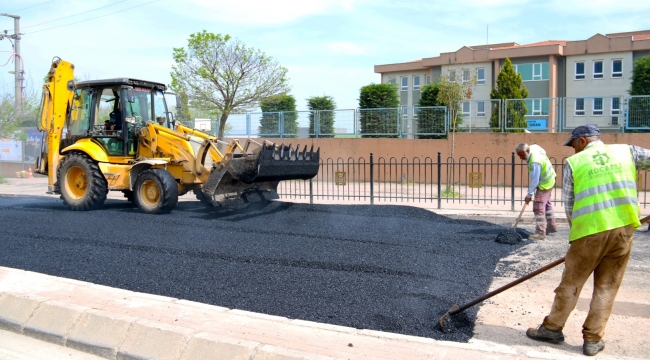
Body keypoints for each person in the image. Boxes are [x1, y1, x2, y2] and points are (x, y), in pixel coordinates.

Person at [526, 125, 650, 356]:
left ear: (582, 141)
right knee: (607, 286)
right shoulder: (627, 151)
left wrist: (578, 235)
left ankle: (552, 328)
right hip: (623, 230)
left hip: (589, 232)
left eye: (573, 145)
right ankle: (593, 339)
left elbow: (570, 204)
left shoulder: (576, 163)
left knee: (571, 282)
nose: (573, 150)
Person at [515, 143, 557, 240]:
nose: (520, 158)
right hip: (551, 177)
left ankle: (540, 232)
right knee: (546, 204)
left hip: (545, 182)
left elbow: (535, 180)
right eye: (519, 155)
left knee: (538, 207)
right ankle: (551, 226)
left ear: (528, 151)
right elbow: (544, 151)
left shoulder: (535, 162)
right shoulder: (534, 147)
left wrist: (529, 195)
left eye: (522, 155)